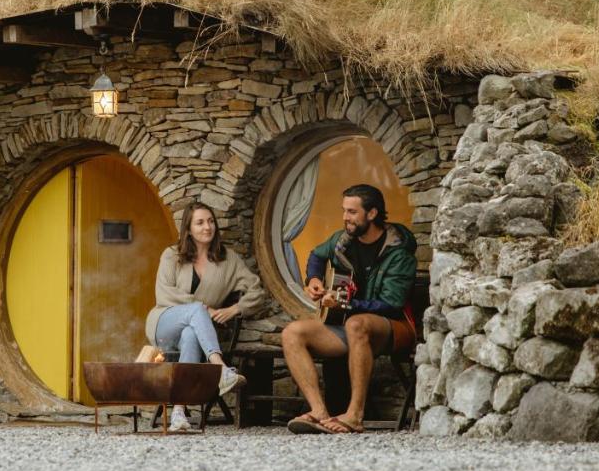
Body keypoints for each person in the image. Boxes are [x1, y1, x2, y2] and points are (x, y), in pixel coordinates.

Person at [281, 184, 418, 434]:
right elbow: (316, 256)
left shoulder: (400, 254)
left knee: (357, 324)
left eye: (352, 212)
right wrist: (313, 281)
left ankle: (355, 414)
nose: (345, 217)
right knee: (292, 333)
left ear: (372, 213)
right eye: (344, 211)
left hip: (395, 327)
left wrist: (347, 304)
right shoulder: (341, 240)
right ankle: (319, 411)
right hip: (350, 325)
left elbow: (392, 303)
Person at [146, 200, 264, 432]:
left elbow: (257, 291)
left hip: (197, 333)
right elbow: (163, 293)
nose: (207, 227)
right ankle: (220, 368)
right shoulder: (171, 255)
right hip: (164, 322)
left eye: (210, 222)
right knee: (197, 311)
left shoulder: (228, 259)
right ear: (188, 229)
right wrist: (201, 307)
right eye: (199, 223)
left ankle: (179, 413)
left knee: (191, 333)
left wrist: (235, 309)